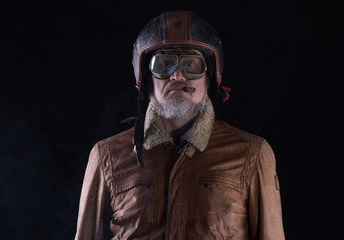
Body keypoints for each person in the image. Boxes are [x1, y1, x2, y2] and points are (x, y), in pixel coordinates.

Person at [75, 11, 285, 240]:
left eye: (191, 64)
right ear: (146, 79)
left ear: (209, 77)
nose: (177, 76)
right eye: (163, 64)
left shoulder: (252, 155)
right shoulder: (107, 156)